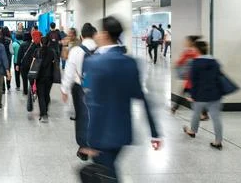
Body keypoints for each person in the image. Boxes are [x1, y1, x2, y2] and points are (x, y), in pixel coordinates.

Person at [81, 16, 160, 181]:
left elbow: (91, 102)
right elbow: (142, 97)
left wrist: (89, 139)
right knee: (109, 172)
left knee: (107, 175)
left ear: (104, 34)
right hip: (123, 132)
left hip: (101, 134)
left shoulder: (93, 62)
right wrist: (154, 133)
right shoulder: (130, 62)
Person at [61, 23, 97, 152]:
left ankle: (83, 145)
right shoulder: (100, 50)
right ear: (94, 35)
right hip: (97, 87)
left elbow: (69, 71)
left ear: (81, 36)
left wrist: (64, 89)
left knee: (82, 115)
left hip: (80, 88)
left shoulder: (76, 50)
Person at [183, 40, 224, 150]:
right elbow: (219, 77)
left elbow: (193, 81)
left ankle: (192, 131)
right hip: (215, 94)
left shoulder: (195, 63)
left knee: (196, 113)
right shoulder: (215, 62)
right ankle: (218, 141)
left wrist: (192, 94)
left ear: (197, 50)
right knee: (216, 118)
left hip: (200, 95)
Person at [172, 36, 209, 121]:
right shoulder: (195, 51)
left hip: (193, 79)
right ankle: (174, 108)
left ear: (191, 42)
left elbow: (180, 61)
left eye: (187, 41)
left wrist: (177, 63)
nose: (185, 43)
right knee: (186, 93)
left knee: (194, 96)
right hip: (193, 78)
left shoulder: (191, 51)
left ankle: (204, 114)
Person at [32, 36, 58, 123]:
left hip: (39, 76)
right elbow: (55, 63)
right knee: (46, 94)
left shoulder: (37, 51)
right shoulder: (52, 52)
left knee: (41, 95)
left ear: (40, 43)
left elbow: (33, 63)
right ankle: (45, 110)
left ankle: (43, 114)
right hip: (49, 76)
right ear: (49, 43)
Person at [0, 27, 14, 93]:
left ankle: (3, 88)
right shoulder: (9, 40)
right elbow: (12, 51)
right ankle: (8, 85)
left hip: (0, 57)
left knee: (1, 71)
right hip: (8, 57)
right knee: (8, 70)